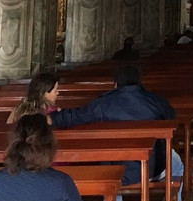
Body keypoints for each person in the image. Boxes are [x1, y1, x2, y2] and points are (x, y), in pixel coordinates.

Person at [51, 63, 179, 185]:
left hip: (118, 169)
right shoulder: (156, 100)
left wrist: (52, 117)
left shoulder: (103, 103)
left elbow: (76, 116)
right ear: (140, 82)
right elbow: (171, 118)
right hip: (154, 167)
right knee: (177, 165)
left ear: (115, 84)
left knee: (108, 169)